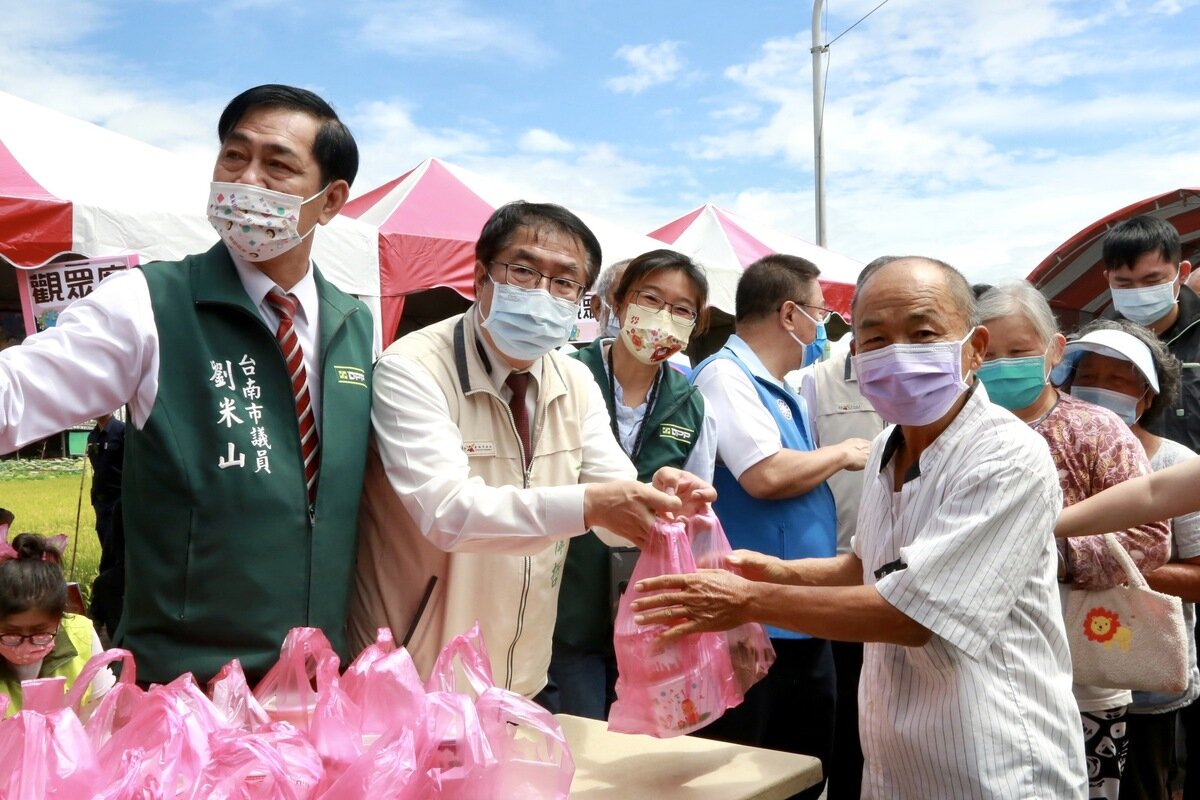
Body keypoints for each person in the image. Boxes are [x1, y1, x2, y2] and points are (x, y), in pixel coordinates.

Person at [633, 256, 1088, 798]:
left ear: (974, 347)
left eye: (922, 334)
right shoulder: (885, 448)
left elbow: (914, 614)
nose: (897, 354)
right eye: (874, 339)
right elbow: (867, 564)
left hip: (995, 760)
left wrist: (749, 599)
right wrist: (779, 571)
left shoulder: (1006, 456)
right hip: (897, 758)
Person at [0, 84, 374, 685]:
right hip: (183, 687)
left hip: (316, 681)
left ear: (329, 202)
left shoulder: (354, 326)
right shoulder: (148, 302)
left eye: (277, 165)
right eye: (234, 156)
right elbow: (16, 391)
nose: (246, 180)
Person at [348, 201, 714, 700]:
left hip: (524, 675)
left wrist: (657, 501)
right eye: (522, 271)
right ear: (480, 278)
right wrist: (593, 505)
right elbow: (446, 511)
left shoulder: (574, 379)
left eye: (564, 282)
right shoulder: (412, 368)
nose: (542, 293)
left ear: (581, 300)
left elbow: (611, 507)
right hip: (418, 675)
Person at [976, 282, 1171, 799]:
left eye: (1018, 352)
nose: (1002, 365)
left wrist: (1047, 552)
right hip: (977, 669)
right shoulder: (954, 433)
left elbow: (1151, 538)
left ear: (1054, 350)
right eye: (988, 354)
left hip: (1082, 670)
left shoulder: (1095, 430)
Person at [688, 253, 871, 797]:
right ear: (790, 315)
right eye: (821, 313)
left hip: (793, 610)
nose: (824, 328)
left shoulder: (777, 385)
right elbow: (765, 475)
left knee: (802, 764)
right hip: (755, 617)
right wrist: (842, 454)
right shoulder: (726, 376)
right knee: (754, 768)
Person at [548, 249, 717, 719]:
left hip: (647, 614)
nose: (664, 317)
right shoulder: (565, 373)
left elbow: (695, 506)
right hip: (565, 606)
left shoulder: (692, 405)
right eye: (651, 299)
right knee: (580, 742)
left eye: (682, 309)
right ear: (619, 303)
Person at [1050, 320, 1200, 800]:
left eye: (1119, 379)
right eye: (1088, 376)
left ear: (1149, 395)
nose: (1099, 390)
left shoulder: (1174, 463)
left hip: (1145, 678)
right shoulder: (1052, 452)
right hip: (1067, 677)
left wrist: (1105, 564)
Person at [794, 257, 889, 800]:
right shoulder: (815, 383)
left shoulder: (945, 384)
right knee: (848, 723)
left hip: (917, 577)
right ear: (850, 316)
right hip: (844, 572)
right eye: (873, 318)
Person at [1103, 216, 1199, 451]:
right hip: (1128, 484)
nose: (1140, 293)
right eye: (1124, 284)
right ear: (1108, 280)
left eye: (1152, 280)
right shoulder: (1096, 349)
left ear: (1182, 272)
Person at [0, 530, 114, 717]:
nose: (26, 645)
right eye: (11, 635)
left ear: (60, 620)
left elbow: (100, 708)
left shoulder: (81, 635)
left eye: (40, 634)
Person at [86, 412, 125, 639]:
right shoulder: (93, 436)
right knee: (106, 551)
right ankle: (102, 613)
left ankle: (102, 614)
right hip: (100, 503)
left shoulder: (122, 432)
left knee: (111, 558)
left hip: (118, 502)